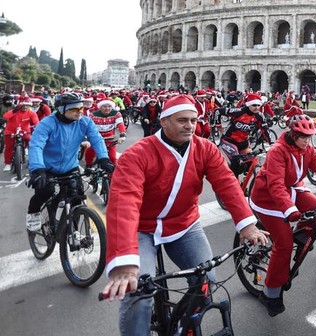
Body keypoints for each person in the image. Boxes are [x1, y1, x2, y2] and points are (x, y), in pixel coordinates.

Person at [100, 95, 269, 333]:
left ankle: (182, 325)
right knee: (138, 292)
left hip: (184, 224)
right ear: (164, 121)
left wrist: (246, 225)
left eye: (193, 120)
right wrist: (125, 263)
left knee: (207, 282)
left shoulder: (205, 149)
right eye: (182, 120)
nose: (190, 126)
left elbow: (227, 184)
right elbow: (124, 203)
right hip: (142, 228)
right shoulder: (136, 154)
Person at [248, 115, 316, 315]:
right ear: (293, 134)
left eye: (310, 136)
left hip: (290, 191)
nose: (308, 141)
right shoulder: (277, 151)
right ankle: (270, 293)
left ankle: (300, 239)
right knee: (283, 244)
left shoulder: (307, 150)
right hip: (267, 198)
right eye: (303, 137)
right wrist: (290, 210)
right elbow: (275, 186)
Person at [26, 93, 112, 230]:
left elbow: (96, 139)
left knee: (77, 197)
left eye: (81, 108)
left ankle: (73, 229)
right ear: (61, 109)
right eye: (75, 109)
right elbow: (36, 145)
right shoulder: (47, 123)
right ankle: (33, 213)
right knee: (45, 191)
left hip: (70, 166)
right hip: (46, 167)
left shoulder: (85, 121)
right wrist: (37, 169)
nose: (79, 112)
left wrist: (103, 158)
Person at [218, 93, 273, 176]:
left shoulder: (259, 116)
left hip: (244, 143)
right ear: (249, 104)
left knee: (251, 162)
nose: (257, 107)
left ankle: (245, 183)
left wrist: (271, 143)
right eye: (254, 105)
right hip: (229, 141)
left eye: (259, 105)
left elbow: (265, 130)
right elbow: (218, 111)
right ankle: (233, 183)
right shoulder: (238, 112)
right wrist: (218, 126)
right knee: (235, 162)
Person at [84, 95, 127, 167]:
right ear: (100, 107)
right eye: (104, 106)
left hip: (110, 141)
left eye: (109, 106)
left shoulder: (116, 114)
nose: (107, 109)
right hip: (96, 140)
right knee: (88, 155)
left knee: (113, 158)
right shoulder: (93, 115)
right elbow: (87, 128)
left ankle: (114, 175)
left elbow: (120, 124)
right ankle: (88, 166)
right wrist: (85, 139)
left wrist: (122, 135)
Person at [3, 96, 39, 172]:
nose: (25, 107)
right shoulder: (14, 111)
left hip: (25, 132)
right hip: (10, 132)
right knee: (9, 147)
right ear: (20, 105)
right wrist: (14, 111)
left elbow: (36, 122)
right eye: (23, 105)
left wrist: (37, 126)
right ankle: (8, 164)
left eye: (27, 105)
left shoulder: (31, 113)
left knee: (31, 142)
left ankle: (32, 159)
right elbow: (5, 116)